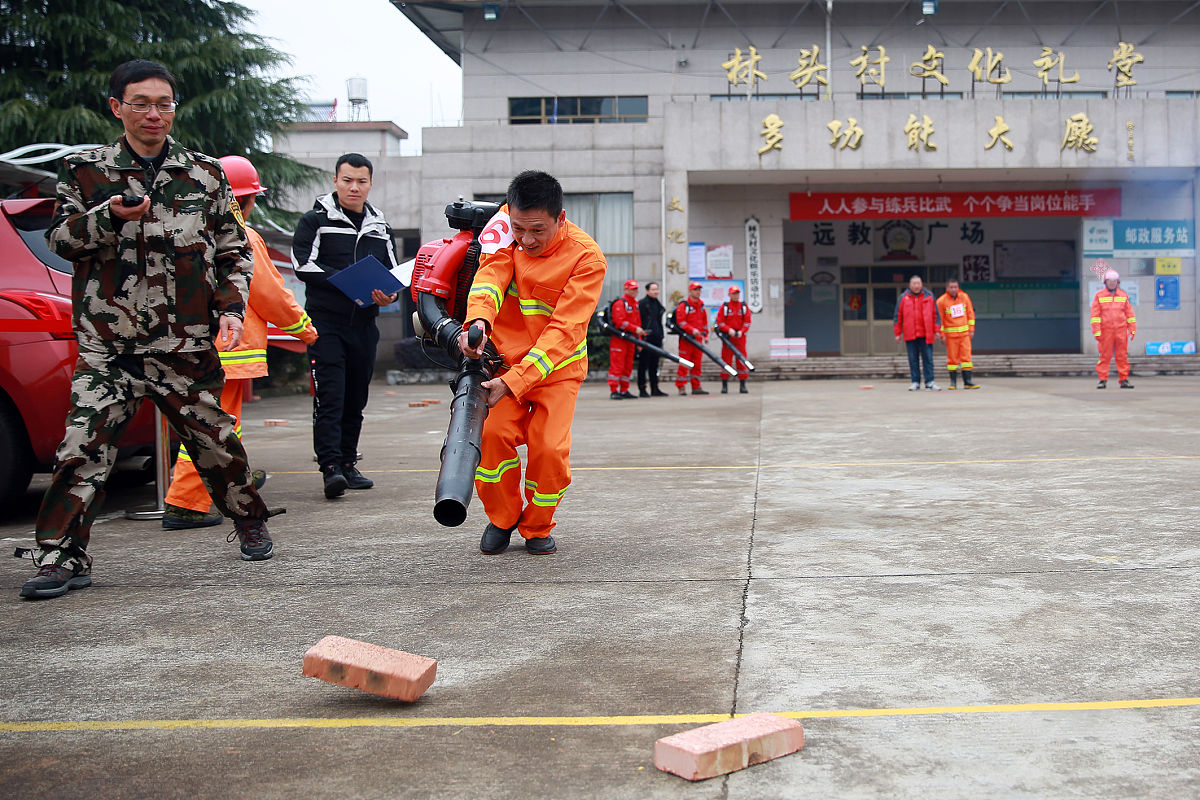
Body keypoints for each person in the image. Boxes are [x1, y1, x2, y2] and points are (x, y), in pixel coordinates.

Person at [20, 60, 276, 599]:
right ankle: (60, 557)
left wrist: (230, 308)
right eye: (141, 103)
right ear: (117, 108)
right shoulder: (85, 172)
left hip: (182, 343)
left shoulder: (204, 174)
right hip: (108, 345)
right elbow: (61, 241)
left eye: (163, 104)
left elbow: (233, 250)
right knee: (81, 450)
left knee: (214, 441)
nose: (154, 114)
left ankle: (248, 519)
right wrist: (108, 217)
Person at [161, 156, 318, 529]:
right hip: (229, 347)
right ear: (242, 200)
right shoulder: (242, 236)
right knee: (213, 426)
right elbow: (268, 294)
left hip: (187, 344)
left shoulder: (183, 230)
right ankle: (186, 502)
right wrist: (305, 328)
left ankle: (233, 477)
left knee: (205, 422)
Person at [458, 170, 606, 556]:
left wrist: (514, 382)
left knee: (549, 450)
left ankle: (537, 526)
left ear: (561, 218)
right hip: (504, 365)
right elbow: (488, 280)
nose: (526, 239)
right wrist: (477, 323)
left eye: (537, 230)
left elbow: (564, 331)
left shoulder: (587, 259)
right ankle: (502, 519)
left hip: (557, 370)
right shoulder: (504, 229)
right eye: (519, 228)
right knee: (490, 439)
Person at [292, 153, 400, 499]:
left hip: (365, 324)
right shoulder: (315, 220)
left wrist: (388, 296)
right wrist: (346, 282)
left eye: (362, 181)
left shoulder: (380, 226)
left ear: (370, 183)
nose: (354, 187)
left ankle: (349, 463)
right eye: (348, 180)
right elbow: (302, 265)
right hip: (326, 323)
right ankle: (331, 467)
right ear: (335, 181)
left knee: (356, 397)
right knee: (332, 396)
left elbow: (394, 273)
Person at [1090, 266, 1137, 389]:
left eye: (1114, 281)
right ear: (1105, 282)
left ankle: (1124, 379)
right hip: (1106, 331)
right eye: (1109, 281)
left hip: (1121, 330)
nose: (1112, 283)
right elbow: (1095, 315)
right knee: (1105, 356)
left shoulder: (1123, 295)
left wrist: (1132, 328)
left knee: (1122, 356)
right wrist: (1096, 331)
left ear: (1118, 282)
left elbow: (1129, 314)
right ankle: (1102, 380)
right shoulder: (1099, 296)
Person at [894, 275, 941, 391]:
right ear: (910, 285)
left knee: (928, 358)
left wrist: (937, 330)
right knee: (913, 359)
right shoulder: (903, 297)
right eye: (914, 283)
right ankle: (915, 382)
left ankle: (930, 382)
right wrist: (897, 333)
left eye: (918, 283)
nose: (916, 286)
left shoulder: (929, 296)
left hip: (926, 333)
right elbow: (898, 316)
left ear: (922, 284)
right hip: (910, 333)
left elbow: (935, 315)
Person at [935, 279, 979, 390]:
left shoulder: (964, 297)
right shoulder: (941, 301)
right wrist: (942, 334)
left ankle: (968, 381)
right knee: (952, 360)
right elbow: (940, 319)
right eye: (951, 287)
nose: (954, 289)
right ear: (947, 288)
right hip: (951, 335)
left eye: (955, 287)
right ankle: (953, 382)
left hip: (964, 334)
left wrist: (971, 329)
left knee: (966, 358)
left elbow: (970, 313)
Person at [608, 279, 643, 399]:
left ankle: (624, 389)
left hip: (631, 339)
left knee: (628, 365)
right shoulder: (620, 303)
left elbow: (638, 322)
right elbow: (619, 322)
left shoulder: (635, 304)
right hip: (619, 339)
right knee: (617, 365)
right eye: (632, 289)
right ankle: (614, 390)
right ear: (626, 289)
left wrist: (639, 339)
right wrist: (635, 329)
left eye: (636, 289)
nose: (635, 291)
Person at [674, 281, 710, 395]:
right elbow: (681, 322)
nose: (698, 292)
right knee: (685, 363)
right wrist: (692, 330)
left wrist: (705, 335)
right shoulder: (684, 305)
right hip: (687, 339)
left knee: (697, 364)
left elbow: (704, 322)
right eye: (695, 290)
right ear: (690, 291)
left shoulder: (701, 305)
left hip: (698, 339)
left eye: (699, 290)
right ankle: (681, 386)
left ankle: (696, 386)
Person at [715, 285, 752, 394]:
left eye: (737, 293)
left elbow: (747, 322)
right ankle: (724, 385)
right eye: (733, 293)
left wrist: (741, 331)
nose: (736, 295)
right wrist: (729, 330)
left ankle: (743, 385)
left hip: (740, 337)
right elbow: (720, 322)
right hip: (728, 338)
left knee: (741, 360)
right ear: (729, 294)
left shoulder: (744, 307)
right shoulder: (725, 307)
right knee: (726, 360)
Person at [637, 281, 669, 397]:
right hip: (646, 338)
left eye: (657, 289)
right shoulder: (642, 304)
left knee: (654, 365)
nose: (656, 292)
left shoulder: (658, 305)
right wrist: (639, 340)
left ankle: (655, 388)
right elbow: (638, 322)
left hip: (656, 338)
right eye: (653, 290)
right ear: (647, 291)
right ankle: (642, 389)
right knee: (643, 365)